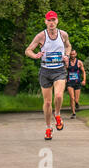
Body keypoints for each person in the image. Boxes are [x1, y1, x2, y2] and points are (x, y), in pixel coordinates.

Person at [25, 11, 72, 140]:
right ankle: (48, 127)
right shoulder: (41, 36)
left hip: (59, 70)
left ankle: (57, 114)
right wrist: (35, 55)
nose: (51, 23)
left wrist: (66, 56)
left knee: (58, 95)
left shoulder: (63, 35)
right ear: (45, 22)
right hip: (45, 71)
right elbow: (28, 50)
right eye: (49, 20)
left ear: (57, 21)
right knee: (47, 103)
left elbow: (68, 46)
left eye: (53, 20)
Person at [65, 50, 86, 119]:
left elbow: (83, 72)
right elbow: (63, 71)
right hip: (69, 82)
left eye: (74, 54)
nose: (72, 56)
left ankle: (77, 103)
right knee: (72, 98)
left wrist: (84, 80)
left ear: (76, 54)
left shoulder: (79, 62)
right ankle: (73, 113)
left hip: (77, 82)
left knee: (76, 100)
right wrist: (64, 78)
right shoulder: (67, 63)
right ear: (70, 55)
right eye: (71, 54)